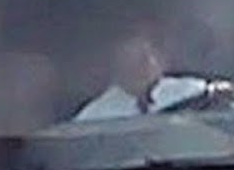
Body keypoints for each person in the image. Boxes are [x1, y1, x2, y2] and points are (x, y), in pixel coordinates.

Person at [73, 26, 211, 121]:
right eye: (133, 60)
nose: (148, 64)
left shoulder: (193, 91)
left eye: (147, 56)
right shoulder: (93, 117)